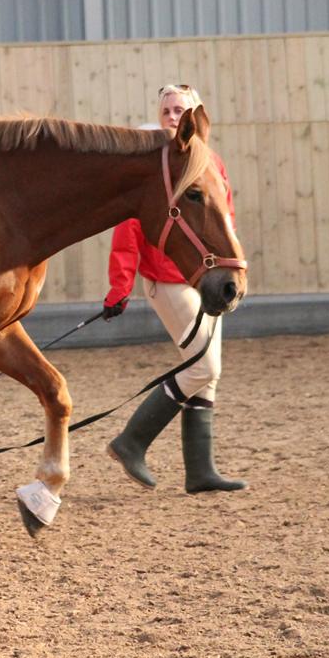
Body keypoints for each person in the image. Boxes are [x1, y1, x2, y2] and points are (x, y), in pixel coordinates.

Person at [103, 84, 246, 493]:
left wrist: (232, 270)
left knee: (207, 375)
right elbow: (129, 229)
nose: (171, 115)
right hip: (167, 280)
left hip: (207, 281)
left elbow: (225, 219)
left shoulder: (211, 162)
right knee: (203, 367)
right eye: (166, 109)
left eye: (179, 108)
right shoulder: (160, 167)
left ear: (194, 113)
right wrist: (120, 287)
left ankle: (200, 472)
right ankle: (132, 441)